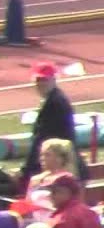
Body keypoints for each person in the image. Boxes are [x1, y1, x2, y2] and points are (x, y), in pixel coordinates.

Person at [15, 62, 87, 192]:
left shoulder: (54, 104)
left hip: (62, 166)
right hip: (69, 164)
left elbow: (42, 139)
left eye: (44, 79)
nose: (41, 83)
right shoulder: (57, 99)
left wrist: (26, 171)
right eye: (38, 80)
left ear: (54, 79)